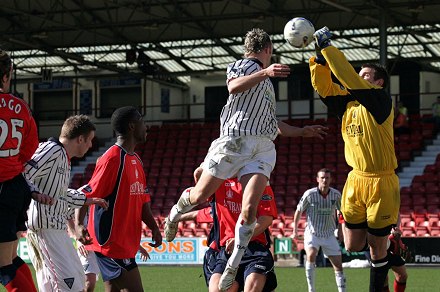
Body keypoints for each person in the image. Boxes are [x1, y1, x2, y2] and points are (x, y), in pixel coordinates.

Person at [164, 27, 327, 291]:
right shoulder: (243, 65)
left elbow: (273, 124)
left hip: (262, 148)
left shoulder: (266, 85)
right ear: (267, 49)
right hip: (235, 141)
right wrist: (265, 71)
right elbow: (233, 86)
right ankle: (173, 215)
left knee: (250, 209)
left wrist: (302, 132)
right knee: (199, 196)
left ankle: (233, 266)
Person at [310, 27, 400, 291]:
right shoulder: (347, 104)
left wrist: (328, 46)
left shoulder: (380, 101)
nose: (359, 78)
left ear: (378, 82)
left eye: (366, 76)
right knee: (352, 245)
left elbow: (347, 77)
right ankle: (387, 250)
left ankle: (378, 282)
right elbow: (325, 87)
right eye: (359, 74)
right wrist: (319, 60)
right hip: (355, 180)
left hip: (382, 182)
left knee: (375, 249)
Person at [75, 106, 162, 292]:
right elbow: (86, 194)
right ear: (132, 126)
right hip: (112, 245)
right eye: (143, 122)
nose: (146, 127)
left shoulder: (136, 160)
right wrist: (78, 225)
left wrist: (153, 227)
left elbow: (143, 201)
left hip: (124, 244)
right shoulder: (112, 159)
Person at [24, 115, 109, 292]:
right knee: (69, 285)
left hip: (56, 229)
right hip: (44, 230)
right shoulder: (53, 150)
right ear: (80, 139)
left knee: (75, 280)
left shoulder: (62, 157)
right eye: (90, 140)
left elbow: (59, 193)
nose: (91, 145)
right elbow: (23, 172)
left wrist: (86, 199)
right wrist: (34, 193)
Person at [0, 49, 53, 292]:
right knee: (9, 258)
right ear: (6, 75)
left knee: (3, 265)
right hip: (13, 186)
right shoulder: (20, 107)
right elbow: (30, 146)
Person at [293, 168, 346, 292]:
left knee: (338, 266)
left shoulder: (336, 195)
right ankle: (311, 289)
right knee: (311, 255)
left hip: (329, 234)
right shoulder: (309, 194)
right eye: (322, 178)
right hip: (313, 233)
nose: (324, 180)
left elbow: (342, 213)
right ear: (317, 179)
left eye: (327, 178)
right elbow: (299, 211)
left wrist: (341, 230)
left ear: (331, 180)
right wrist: (295, 230)